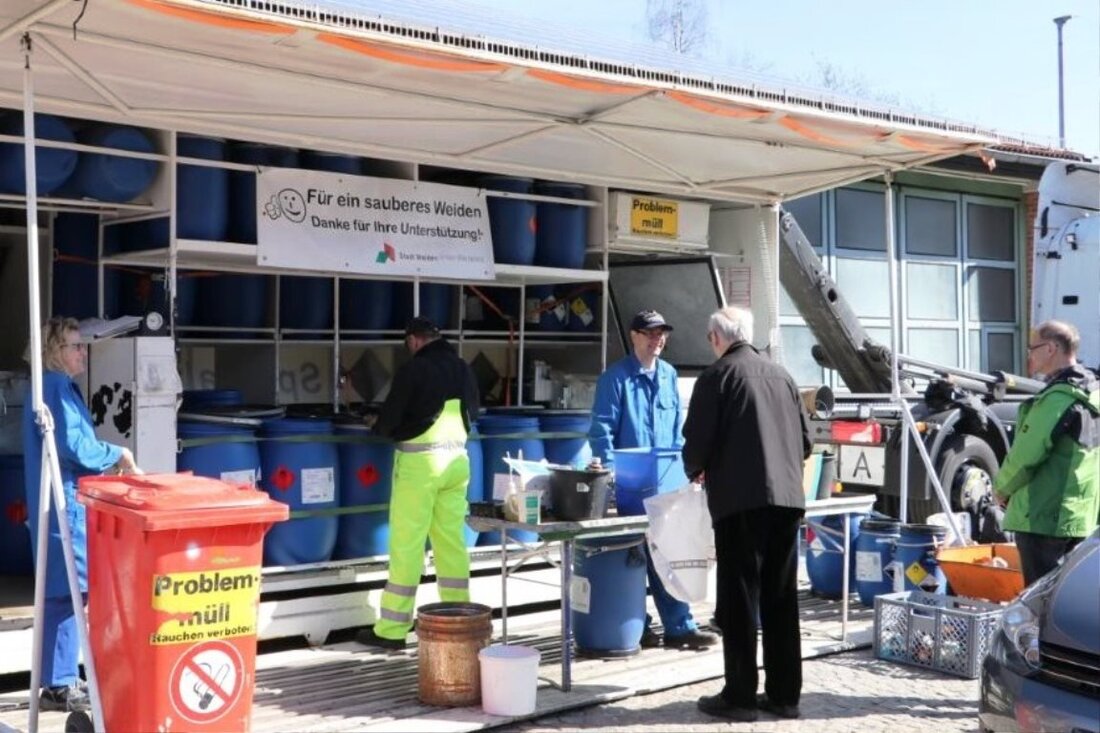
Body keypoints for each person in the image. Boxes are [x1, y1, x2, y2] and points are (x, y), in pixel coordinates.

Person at [682, 307, 811, 722]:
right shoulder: (784, 376)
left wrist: (694, 469)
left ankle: (739, 695)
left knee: (739, 600)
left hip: (741, 502)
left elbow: (696, 444)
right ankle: (784, 695)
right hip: (788, 500)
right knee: (781, 598)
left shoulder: (717, 377)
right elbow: (806, 443)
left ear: (717, 338)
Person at [22, 317, 141, 712]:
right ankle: (59, 683)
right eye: (75, 346)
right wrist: (119, 454)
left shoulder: (50, 387)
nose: (82, 352)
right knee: (72, 591)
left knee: (61, 593)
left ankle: (57, 681)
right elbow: (75, 446)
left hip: (59, 499)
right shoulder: (56, 388)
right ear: (56, 352)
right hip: (65, 502)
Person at [588, 309, 717, 650]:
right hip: (630, 486)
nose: (657, 338)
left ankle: (680, 627)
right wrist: (613, 476)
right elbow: (601, 432)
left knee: (671, 552)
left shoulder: (669, 375)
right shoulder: (614, 379)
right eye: (650, 333)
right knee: (631, 559)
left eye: (662, 333)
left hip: (667, 483)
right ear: (634, 336)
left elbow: (677, 430)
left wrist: (686, 469)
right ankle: (637, 625)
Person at [357, 317, 481, 650]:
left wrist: (374, 422)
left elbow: (392, 420)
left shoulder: (415, 370)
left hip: (421, 466)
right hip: (457, 464)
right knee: (451, 543)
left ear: (413, 341)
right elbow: (475, 412)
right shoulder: (462, 367)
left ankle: (393, 630)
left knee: (408, 544)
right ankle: (460, 618)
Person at [994, 320, 1099, 586]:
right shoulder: (1092, 394)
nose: (1029, 354)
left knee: (1038, 603)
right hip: (1080, 517)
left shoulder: (1057, 400)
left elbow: (1025, 457)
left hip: (1043, 517)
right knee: (1069, 598)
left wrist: (1001, 489)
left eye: (1033, 348)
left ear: (1051, 348)